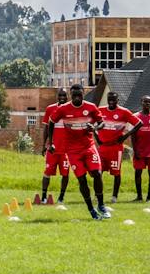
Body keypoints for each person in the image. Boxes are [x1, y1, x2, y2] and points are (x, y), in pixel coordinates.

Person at [42, 83, 107, 219]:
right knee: (82, 180)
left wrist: (95, 128)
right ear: (70, 96)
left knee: (97, 173)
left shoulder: (91, 107)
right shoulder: (64, 109)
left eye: (79, 95)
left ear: (83, 94)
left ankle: (101, 205)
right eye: (74, 95)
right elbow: (51, 122)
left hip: (89, 147)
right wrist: (51, 143)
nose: (77, 98)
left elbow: (102, 122)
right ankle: (92, 210)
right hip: (72, 151)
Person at [94, 90, 139, 204]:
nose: (111, 102)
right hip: (103, 147)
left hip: (116, 148)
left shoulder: (124, 112)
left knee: (116, 172)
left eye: (113, 100)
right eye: (109, 99)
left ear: (118, 100)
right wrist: (97, 137)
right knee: (98, 172)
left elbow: (139, 124)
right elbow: (92, 124)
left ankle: (114, 196)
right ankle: (98, 194)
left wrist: (126, 136)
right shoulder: (101, 110)